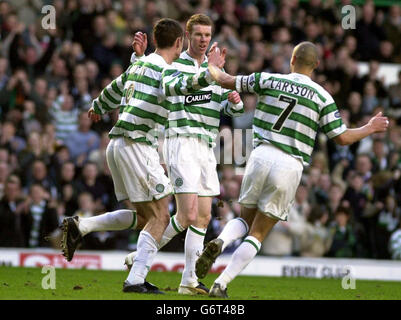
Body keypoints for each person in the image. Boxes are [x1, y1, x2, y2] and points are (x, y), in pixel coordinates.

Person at [195, 41, 390, 298]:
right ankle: (221, 284)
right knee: (259, 233)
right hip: (289, 164)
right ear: (316, 65)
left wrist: (211, 65)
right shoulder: (323, 96)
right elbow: (341, 138)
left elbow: (226, 80)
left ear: (292, 60)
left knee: (244, 219)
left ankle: (221, 240)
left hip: (260, 155)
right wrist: (370, 127)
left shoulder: (269, 79)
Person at [61, 18, 224, 295]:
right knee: (162, 214)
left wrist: (97, 106)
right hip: (138, 144)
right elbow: (179, 88)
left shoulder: (140, 63)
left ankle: (82, 225)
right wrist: (212, 72)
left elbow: (115, 88)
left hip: (117, 145)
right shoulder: (165, 70)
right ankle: (136, 279)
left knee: (144, 218)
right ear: (179, 42)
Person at [125, 13, 244, 295]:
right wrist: (137, 59)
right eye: (198, 35)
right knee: (187, 214)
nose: (203, 40)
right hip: (181, 141)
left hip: (206, 147)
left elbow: (227, 109)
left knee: (202, 217)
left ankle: (188, 281)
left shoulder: (214, 68)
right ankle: (140, 260)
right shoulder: (175, 64)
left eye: (207, 35)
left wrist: (235, 101)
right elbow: (161, 83)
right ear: (187, 38)